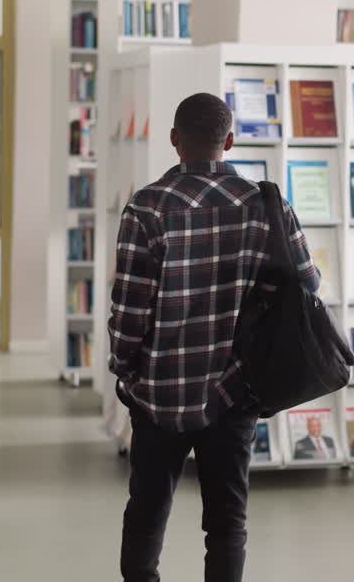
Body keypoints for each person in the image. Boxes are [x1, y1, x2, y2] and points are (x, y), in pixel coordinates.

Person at [108, 92, 319, 582]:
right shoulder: (264, 204)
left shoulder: (146, 207)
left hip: (159, 391)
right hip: (234, 389)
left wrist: (127, 370)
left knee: (146, 514)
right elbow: (307, 285)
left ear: (174, 140)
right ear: (229, 140)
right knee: (227, 523)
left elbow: (129, 309)